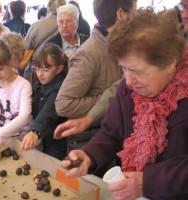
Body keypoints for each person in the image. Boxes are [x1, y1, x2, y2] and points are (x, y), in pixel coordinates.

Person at [62, 7, 188, 199]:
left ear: (170, 63)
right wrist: (89, 155)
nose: (128, 81)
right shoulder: (127, 91)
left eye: (137, 71)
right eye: (123, 68)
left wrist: (148, 182)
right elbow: (111, 133)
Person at [55, 0, 135, 151]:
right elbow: (64, 104)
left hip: (115, 136)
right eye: (133, 12)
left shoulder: (121, 46)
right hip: (95, 142)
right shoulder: (89, 53)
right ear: (120, 14)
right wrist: (113, 101)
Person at [21, 44, 68, 160]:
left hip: (55, 141)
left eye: (46, 69)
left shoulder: (60, 89)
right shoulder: (39, 84)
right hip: (41, 137)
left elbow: (48, 111)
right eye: (37, 68)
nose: (40, 74)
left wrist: (35, 130)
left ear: (59, 69)